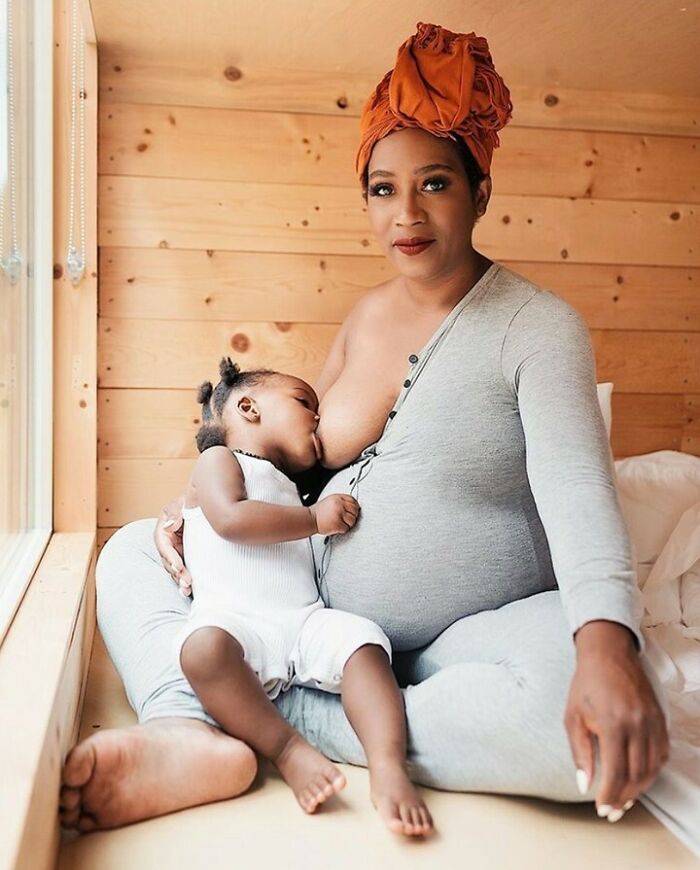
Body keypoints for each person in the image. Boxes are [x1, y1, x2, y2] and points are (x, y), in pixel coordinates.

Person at [60, 21, 669, 833]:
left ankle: (275, 727)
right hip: (304, 609)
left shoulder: (536, 327)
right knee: (129, 550)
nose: (405, 214)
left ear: (480, 190)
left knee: (572, 731)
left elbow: (578, 494)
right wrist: (200, 506)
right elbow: (296, 461)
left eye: (435, 184)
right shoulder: (366, 315)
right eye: (383, 188)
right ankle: (185, 723)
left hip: (453, 640)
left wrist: (606, 644)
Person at [172, 357, 432, 835]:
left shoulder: (294, 486)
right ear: (248, 408)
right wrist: (315, 521)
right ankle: (288, 749)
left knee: (364, 644)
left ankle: (389, 764)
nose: (318, 417)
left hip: (305, 619)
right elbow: (230, 519)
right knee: (202, 651)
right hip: (235, 621)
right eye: (304, 403)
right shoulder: (219, 462)